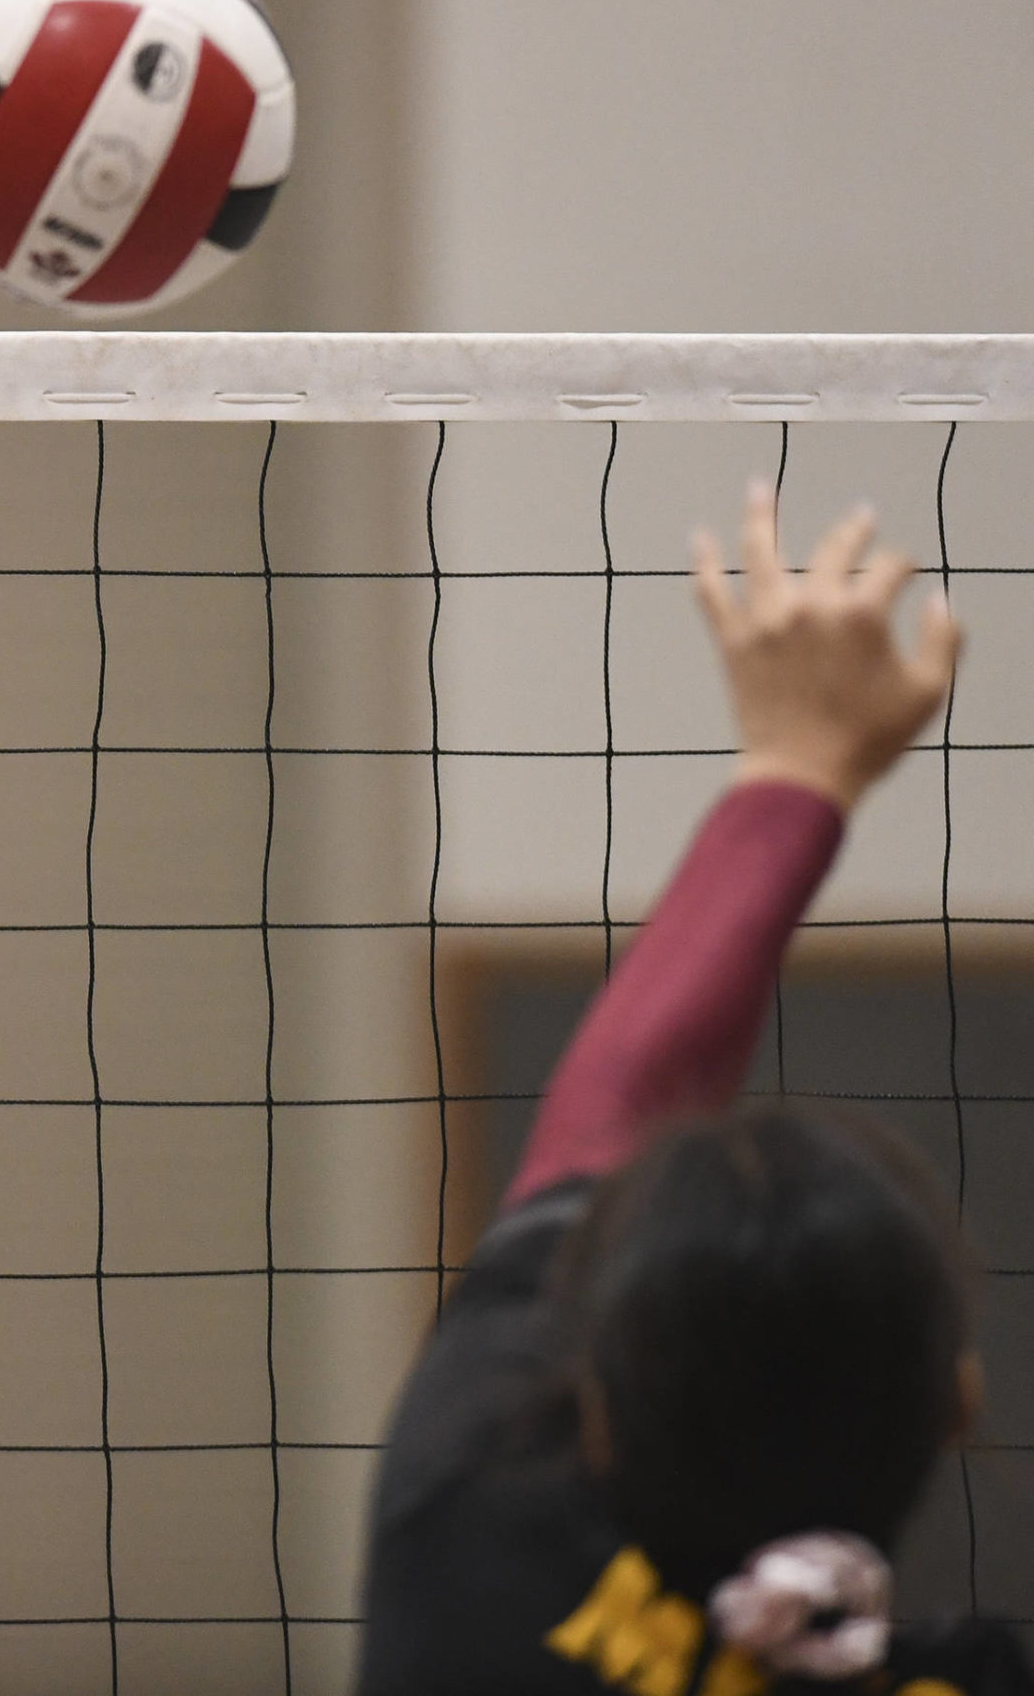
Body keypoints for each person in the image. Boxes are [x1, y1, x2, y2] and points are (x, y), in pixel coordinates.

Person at [356, 485, 1034, 1695]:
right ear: (957, 1402)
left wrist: (797, 766)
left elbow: (609, 1112)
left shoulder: (470, 1553)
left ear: (594, 1408)